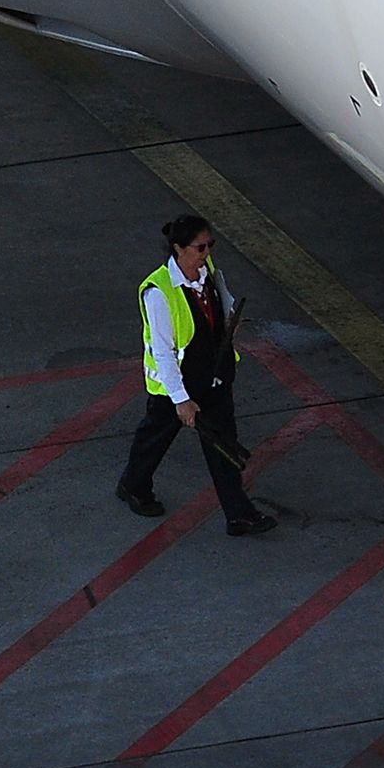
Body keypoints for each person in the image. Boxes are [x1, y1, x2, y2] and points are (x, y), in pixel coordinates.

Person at [116, 212, 278, 536]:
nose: (207, 253)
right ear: (179, 248)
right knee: (155, 438)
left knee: (223, 446)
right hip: (178, 386)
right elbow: (162, 352)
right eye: (200, 247)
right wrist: (181, 400)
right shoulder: (159, 292)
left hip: (214, 379)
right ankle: (134, 486)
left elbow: (224, 298)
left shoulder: (208, 271)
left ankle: (238, 514)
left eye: (210, 245)